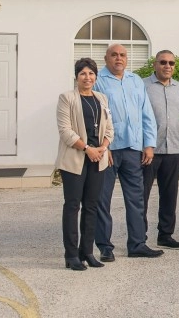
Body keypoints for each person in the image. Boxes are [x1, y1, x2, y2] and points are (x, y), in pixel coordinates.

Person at [94, 43, 163, 260]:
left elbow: (146, 113)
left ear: (127, 58)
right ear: (106, 58)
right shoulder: (97, 81)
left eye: (122, 55)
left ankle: (137, 244)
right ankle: (105, 247)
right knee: (102, 199)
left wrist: (149, 144)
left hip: (134, 149)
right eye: (114, 55)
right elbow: (95, 117)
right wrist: (104, 146)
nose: (118, 59)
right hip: (109, 150)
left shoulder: (135, 82)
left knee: (136, 198)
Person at [56, 58, 114, 270]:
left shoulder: (102, 98)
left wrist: (102, 148)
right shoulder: (67, 98)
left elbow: (109, 128)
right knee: (72, 206)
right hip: (75, 159)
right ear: (76, 76)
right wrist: (87, 149)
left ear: (96, 77)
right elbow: (65, 131)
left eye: (91, 74)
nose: (87, 78)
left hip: (97, 160)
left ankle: (87, 251)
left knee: (92, 206)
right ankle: (71, 255)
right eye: (83, 74)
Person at [143, 50, 179, 249]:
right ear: (155, 64)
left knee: (169, 196)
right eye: (163, 62)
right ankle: (139, 237)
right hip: (148, 151)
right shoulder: (142, 86)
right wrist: (145, 145)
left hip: (173, 150)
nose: (167, 66)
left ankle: (165, 235)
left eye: (171, 63)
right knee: (141, 196)